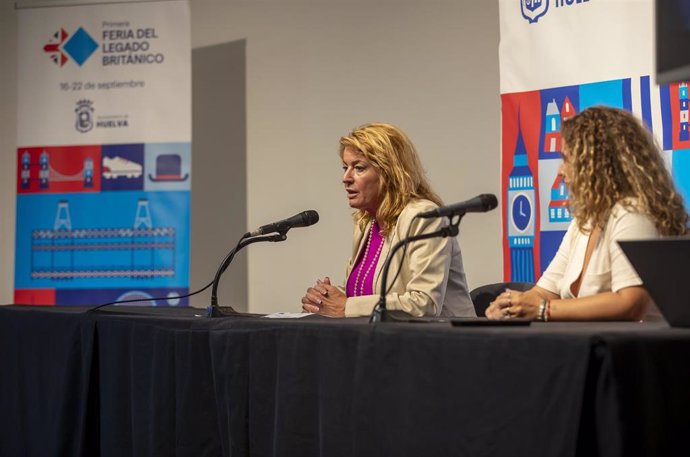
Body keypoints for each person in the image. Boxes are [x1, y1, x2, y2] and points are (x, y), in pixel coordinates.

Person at [486, 106, 688, 321]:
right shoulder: (585, 222)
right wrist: (510, 305)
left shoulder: (632, 213)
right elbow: (543, 292)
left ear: (597, 163)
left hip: (638, 352)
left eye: (566, 159)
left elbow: (631, 303)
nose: (560, 172)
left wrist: (544, 310)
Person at [301, 122, 475, 318]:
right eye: (345, 167)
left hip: (442, 342)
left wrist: (346, 306)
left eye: (358, 168)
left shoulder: (424, 217)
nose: (346, 178)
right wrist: (325, 299)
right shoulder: (366, 223)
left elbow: (425, 303)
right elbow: (369, 294)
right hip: (385, 340)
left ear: (389, 173)